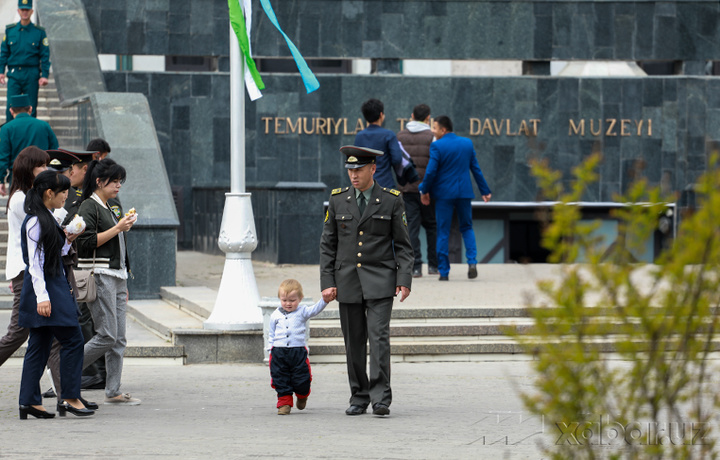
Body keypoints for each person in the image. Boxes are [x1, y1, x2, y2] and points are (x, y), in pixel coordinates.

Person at [319, 145, 414, 417]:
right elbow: (327, 244)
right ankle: (358, 396)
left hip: (381, 280)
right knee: (354, 342)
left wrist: (404, 279)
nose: (353, 176)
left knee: (379, 338)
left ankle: (381, 397)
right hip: (347, 280)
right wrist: (327, 280)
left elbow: (404, 245)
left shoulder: (391, 200)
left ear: (373, 169)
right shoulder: (338, 200)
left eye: (359, 170)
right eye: (350, 170)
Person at [18, 170, 94, 419]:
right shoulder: (36, 221)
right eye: (63, 192)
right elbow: (35, 263)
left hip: (48, 287)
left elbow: (53, 253)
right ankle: (70, 397)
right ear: (49, 193)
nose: (66, 196)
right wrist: (42, 297)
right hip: (47, 288)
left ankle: (29, 401)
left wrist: (69, 240)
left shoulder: (45, 217)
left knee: (39, 344)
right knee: (73, 340)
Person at [76, 158, 140, 405]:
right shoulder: (88, 207)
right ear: (99, 181)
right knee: (107, 335)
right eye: (114, 181)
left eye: (119, 181)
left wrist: (122, 226)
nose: (118, 186)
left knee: (119, 338)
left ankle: (113, 390)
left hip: (117, 276)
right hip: (100, 275)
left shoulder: (109, 206)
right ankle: (64, 367)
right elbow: (86, 242)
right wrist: (118, 228)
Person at [418, 116, 492, 281]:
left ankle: (444, 272)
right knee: (467, 227)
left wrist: (424, 190)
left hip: (444, 195)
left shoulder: (437, 146)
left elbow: (430, 172)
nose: (432, 131)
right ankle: (472, 262)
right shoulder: (467, 143)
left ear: (443, 130)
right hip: (464, 193)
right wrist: (484, 190)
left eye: (435, 128)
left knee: (443, 231)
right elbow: (476, 169)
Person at [0, 146, 48, 369]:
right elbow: (44, 224)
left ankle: (62, 391)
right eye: (42, 165)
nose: (46, 169)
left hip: (30, 271)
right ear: (30, 169)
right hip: (25, 272)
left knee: (48, 335)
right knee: (18, 333)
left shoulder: (27, 196)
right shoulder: (21, 199)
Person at [267, 279, 333, 415]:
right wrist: (270, 348)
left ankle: (302, 395)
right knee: (280, 377)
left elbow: (315, 310)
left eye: (292, 300)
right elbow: (271, 333)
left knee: (301, 377)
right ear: (279, 298)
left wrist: (324, 301)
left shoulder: (302, 312)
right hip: (279, 352)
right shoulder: (275, 315)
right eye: (284, 300)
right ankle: (284, 404)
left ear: (300, 299)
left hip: (297, 352)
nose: (288, 303)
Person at [397, 104, 438, 278]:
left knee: (411, 228)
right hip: (427, 190)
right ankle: (433, 266)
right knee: (431, 226)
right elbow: (435, 164)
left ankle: (415, 267)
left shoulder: (400, 136)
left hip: (407, 189)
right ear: (428, 118)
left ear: (412, 115)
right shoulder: (432, 137)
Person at [0, 0, 51, 122]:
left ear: (32, 11)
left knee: (31, 108)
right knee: (11, 108)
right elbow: (4, 53)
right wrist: (1, 71)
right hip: (14, 73)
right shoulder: (10, 31)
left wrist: (44, 75)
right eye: (22, 9)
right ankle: (9, 138)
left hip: (31, 73)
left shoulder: (39, 32)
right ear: (18, 11)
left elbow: (44, 55)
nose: (25, 12)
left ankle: (29, 138)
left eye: (27, 10)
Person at [0, 94, 58, 194]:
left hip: (17, 178)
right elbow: (55, 150)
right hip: (42, 176)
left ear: (11, 110)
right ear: (30, 109)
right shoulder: (44, 126)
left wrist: (1, 179)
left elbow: (3, 157)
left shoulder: (6, 128)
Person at [354, 98, 416, 189]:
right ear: (381, 115)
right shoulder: (388, 135)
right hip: (385, 183)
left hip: (365, 185)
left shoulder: (359, 136)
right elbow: (397, 159)